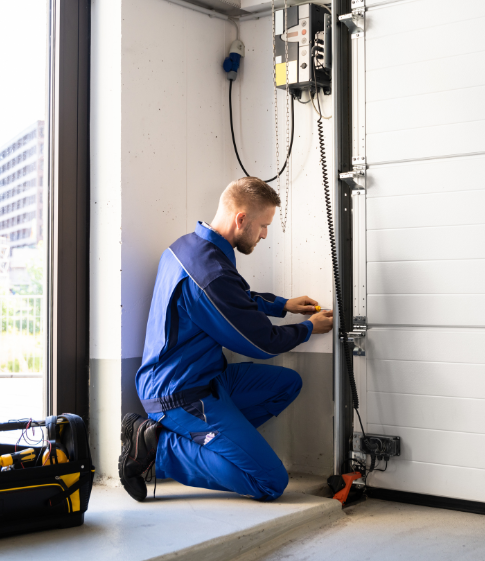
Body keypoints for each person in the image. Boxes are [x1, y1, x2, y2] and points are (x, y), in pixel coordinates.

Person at [119, 177, 334, 502]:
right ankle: (158, 448)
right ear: (241, 219)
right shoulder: (209, 274)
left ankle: (213, 445)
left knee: (286, 384)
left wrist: (283, 305)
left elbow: (235, 299)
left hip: (208, 378)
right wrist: (307, 328)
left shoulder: (188, 247)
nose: (264, 234)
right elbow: (262, 343)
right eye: (263, 225)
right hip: (179, 395)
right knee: (270, 482)